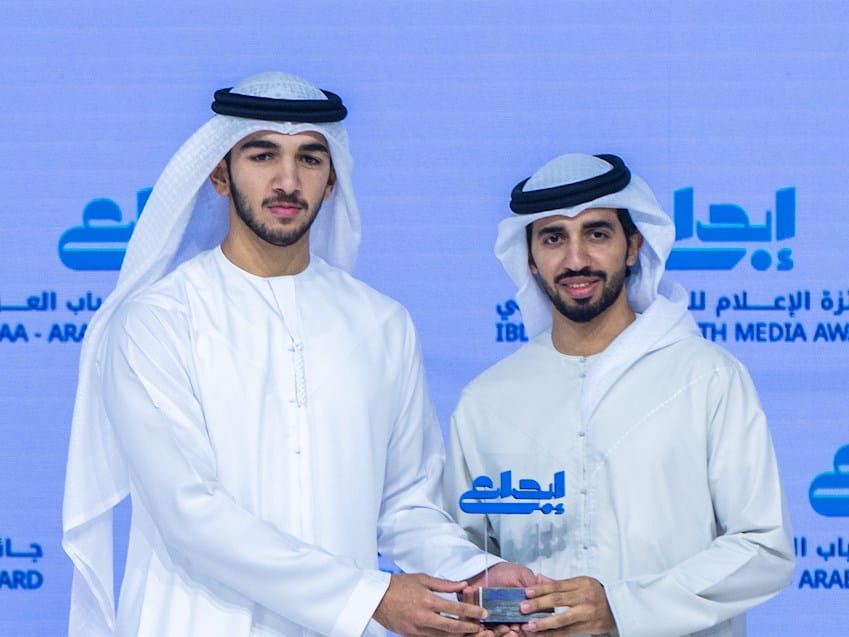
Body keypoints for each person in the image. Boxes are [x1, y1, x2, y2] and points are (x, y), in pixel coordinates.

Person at [61, 71, 531, 637]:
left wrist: (474, 572)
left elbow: (405, 505)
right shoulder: (157, 322)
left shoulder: (381, 324)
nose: (288, 181)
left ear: (332, 181)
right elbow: (189, 512)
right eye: (262, 155)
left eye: (309, 158)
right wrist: (373, 596)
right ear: (218, 173)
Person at [443, 153, 794, 637]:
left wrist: (621, 608)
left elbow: (763, 547)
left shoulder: (706, 377)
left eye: (597, 234)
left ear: (633, 247)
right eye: (553, 238)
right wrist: (496, 615)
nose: (576, 260)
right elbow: (464, 565)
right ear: (530, 260)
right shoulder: (486, 401)